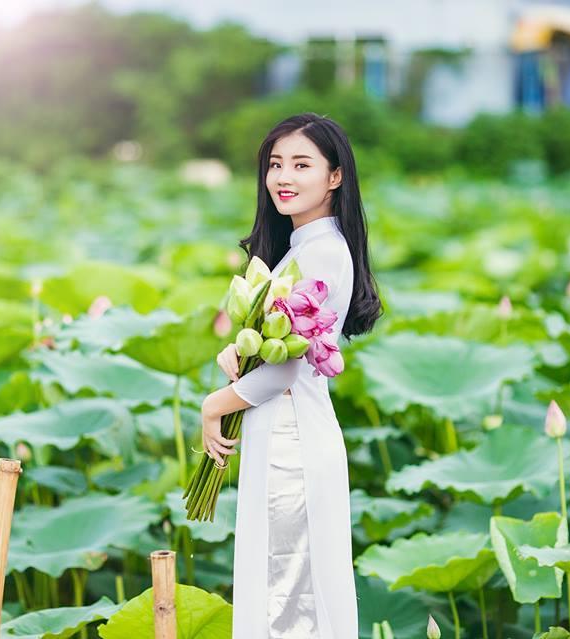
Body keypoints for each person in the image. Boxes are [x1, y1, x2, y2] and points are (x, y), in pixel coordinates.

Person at [198, 113, 383, 638]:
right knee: (282, 582)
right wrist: (238, 351)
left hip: (291, 442)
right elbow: (278, 353)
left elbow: (284, 369)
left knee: (289, 593)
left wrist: (218, 404)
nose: (283, 176)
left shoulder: (322, 251)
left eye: (302, 164)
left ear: (335, 176)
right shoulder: (303, 247)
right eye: (276, 164)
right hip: (282, 434)